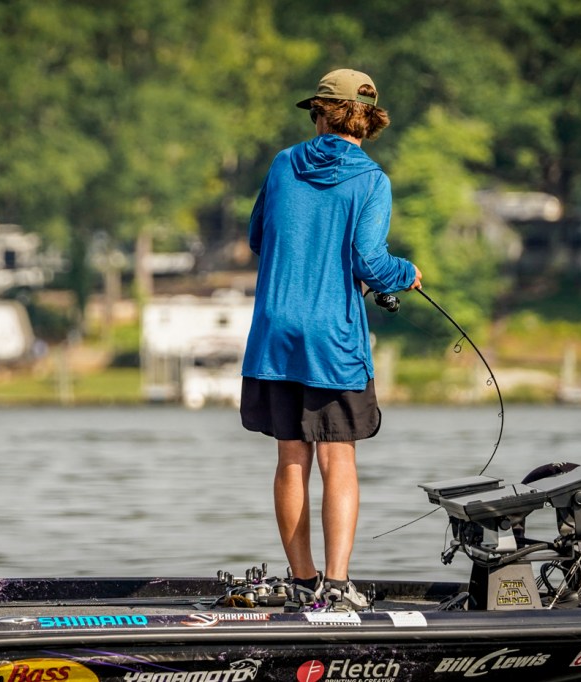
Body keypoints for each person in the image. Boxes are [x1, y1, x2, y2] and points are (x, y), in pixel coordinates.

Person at [240, 68, 421, 610]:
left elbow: (257, 237)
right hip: (333, 341)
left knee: (290, 457)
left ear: (321, 113)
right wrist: (405, 273)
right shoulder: (372, 180)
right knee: (337, 459)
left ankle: (303, 583)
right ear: (369, 120)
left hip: (275, 334)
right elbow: (370, 262)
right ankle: (338, 588)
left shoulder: (282, 164)